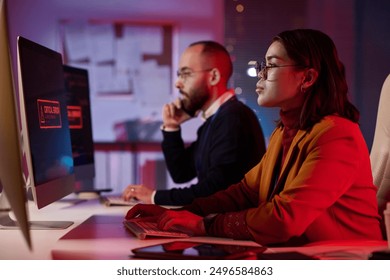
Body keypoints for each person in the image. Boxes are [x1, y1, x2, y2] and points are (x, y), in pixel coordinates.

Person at [124, 29, 384, 246]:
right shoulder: (286, 132)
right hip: (302, 254)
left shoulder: (337, 135)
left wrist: (203, 224)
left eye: (270, 66)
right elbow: (244, 192)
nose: (261, 74)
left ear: (307, 77)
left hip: (346, 262)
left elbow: (284, 218)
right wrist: (180, 212)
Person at [122, 41, 266, 206]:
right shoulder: (215, 119)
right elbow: (181, 173)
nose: (178, 83)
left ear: (213, 77)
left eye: (186, 74)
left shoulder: (233, 118)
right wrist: (171, 127)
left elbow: (215, 191)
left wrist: (154, 197)